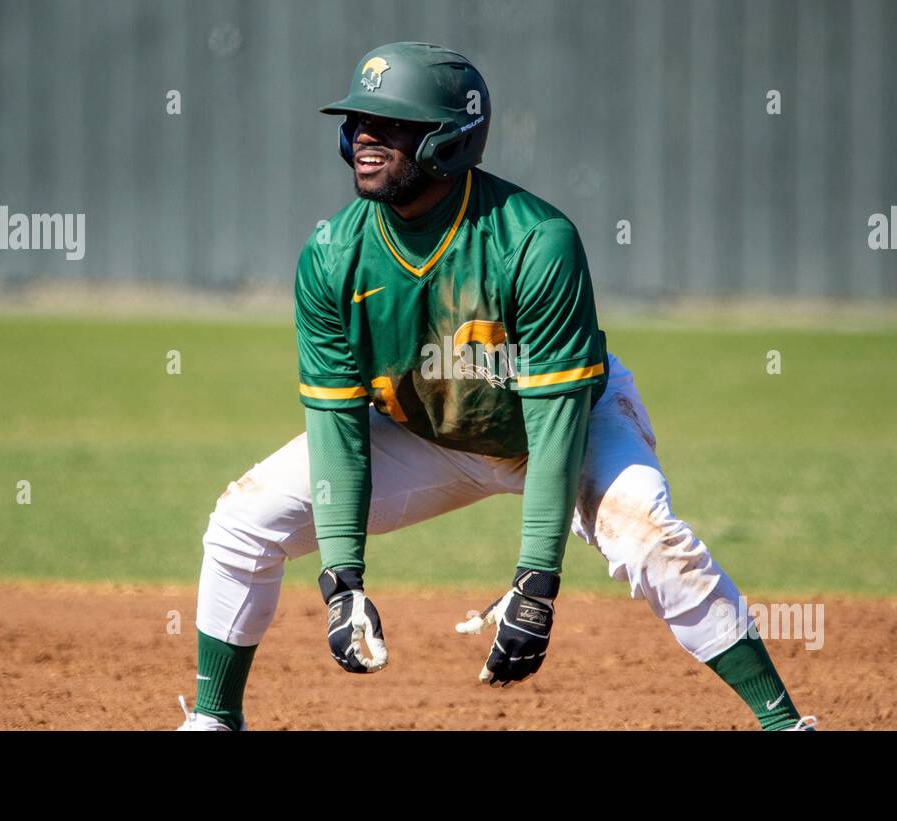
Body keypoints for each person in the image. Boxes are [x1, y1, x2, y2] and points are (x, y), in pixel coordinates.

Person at [177, 41, 814, 731]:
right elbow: (337, 428)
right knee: (241, 524)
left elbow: (555, 425)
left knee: (651, 539)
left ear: (448, 142)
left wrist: (536, 583)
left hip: (562, 426)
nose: (364, 135)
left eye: (391, 124)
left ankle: (783, 722)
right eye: (359, 120)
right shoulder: (332, 255)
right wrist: (342, 581)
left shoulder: (536, 243)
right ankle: (215, 719)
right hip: (429, 432)